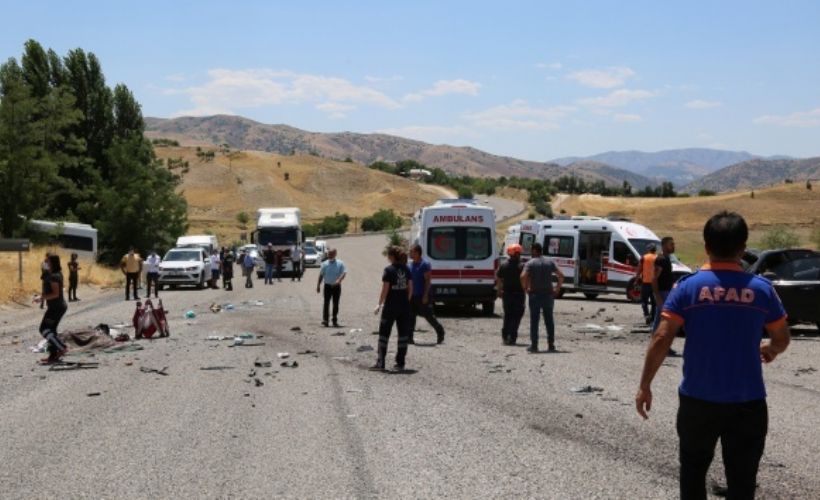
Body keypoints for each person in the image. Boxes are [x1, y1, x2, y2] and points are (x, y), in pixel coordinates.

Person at [636, 211, 790, 500]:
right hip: (748, 402)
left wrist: (645, 385)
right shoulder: (761, 290)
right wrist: (771, 349)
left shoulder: (688, 288)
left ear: (706, 246)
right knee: (743, 480)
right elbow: (782, 337)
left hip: (698, 401)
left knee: (693, 473)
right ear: (743, 248)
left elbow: (661, 337)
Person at [371, 246, 413, 371]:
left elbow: (385, 289)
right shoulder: (406, 269)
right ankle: (400, 363)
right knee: (403, 335)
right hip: (404, 307)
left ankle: (381, 362)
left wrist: (379, 304)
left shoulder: (389, 270)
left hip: (390, 307)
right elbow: (410, 288)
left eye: (388, 255)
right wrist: (406, 301)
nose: (387, 258)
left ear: (392, 256)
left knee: (384, 334)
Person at [520, 242, 564, 353]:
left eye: (531, 250)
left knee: (534, 321)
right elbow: (561, 276)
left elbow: (522, 276)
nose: (530, 252)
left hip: (535, 295)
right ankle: (551, 345)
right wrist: (557, 289)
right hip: (548, 295)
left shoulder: (530, 263)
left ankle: (534, 345)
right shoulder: (550, 262)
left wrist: (525, 288)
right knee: (549, 320)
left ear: (535, 250)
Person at [408, 244, 445, 344]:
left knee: (428, 316)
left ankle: (440, 330)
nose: (410, 253)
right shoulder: (410, 265)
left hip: (422, 295)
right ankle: (409, 338)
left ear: (417, 253)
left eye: (412, 251)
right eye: (410, 251)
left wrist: (425, 295)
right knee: (411, 316)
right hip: (412, 295)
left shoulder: (424, 264)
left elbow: (428, 281)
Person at [37, 254, 69, 364]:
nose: (44, 262)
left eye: (47, 261)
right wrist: (44, 269)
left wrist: (41, 298)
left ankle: (62, 347)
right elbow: (44, 279)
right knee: (52, 331)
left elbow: (55, 294)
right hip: (56, 306)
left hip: (57, 307)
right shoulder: (51, 274)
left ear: (52, 263)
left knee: (44, 329)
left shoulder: (55, 276)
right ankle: (53, 355)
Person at [496, 243, 525, 346]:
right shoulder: (522, 266)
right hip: (519, 295)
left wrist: (499, 291)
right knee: (516, 317)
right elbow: (526, 278)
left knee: (508, 315)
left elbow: (499, 278)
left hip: (507, 294)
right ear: (518, 253)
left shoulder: (504, 265)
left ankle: (505, 337)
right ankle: (512, 337)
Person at [316, 248, 346, 327]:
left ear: (335, 254)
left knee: (335, 303)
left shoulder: (340, 263)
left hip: (336, 287)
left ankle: (334, 320)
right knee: (326, 303)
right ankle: (325, 320)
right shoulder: (324, 264)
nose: (329, 255)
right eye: (329, 254)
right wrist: (318, 285)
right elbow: (321, 275)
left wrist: (339, 280)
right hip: (327, 286)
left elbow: (343, 273)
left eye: (331, 254)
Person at [652, 237, 676, 333]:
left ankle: (659, 340)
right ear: (664, 246)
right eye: (671, 244)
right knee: (664, 317)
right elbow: (654, 278)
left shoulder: (667, 259)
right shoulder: (661, 259)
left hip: (667, 292)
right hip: (662, 293)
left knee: (661, 318)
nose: (674, 246)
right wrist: (657, 295)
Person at [635, 243, 657, 325]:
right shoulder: (658, 258)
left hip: (646, 283)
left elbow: (639, 269)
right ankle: (653, 317)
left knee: (644, 301)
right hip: (655, 284)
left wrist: (636, 280)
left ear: (648, 249)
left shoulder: (644, 257)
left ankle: (647, 315)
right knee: (654, 302)